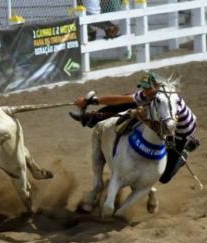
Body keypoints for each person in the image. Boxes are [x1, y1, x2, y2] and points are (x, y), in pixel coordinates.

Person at [69, 72, 199, 184]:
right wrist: (92, 101)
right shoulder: (150, 94)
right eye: (144, 88)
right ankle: (92, 117)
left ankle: (185, 152)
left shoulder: (170, 100)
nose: (144, 91)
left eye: (147, 88)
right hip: (163, 121)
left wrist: (141, 115)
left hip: (181, 133)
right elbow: (121, 100)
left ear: (155, 87)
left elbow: (170, 126)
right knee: (129, 102)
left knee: (164, 177)